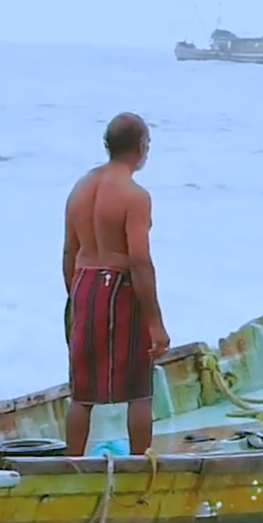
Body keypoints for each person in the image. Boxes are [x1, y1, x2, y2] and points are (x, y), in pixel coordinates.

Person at [61, 112, 171, 456]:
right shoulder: (135, 196)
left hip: (83, 285)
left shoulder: (80, 188)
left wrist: (76, 302)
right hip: (120, 286)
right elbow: (139, 260)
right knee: (138, 390)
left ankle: (71, 465)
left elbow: (69, 252)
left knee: (82, 394)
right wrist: (155, 323)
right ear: (141, 148)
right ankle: (139, 464)